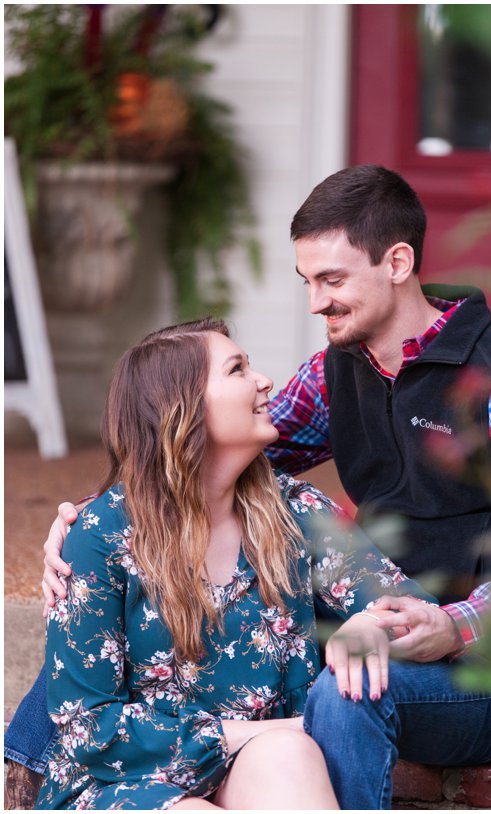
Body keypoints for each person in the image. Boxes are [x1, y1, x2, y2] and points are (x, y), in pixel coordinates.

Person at [18, 165, 491, 809]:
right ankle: (27, 778)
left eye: (332, 280)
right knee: (89, 647)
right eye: (307, 281)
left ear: (397, 262)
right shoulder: (334, 374)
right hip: (361, 614)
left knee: (343, 688)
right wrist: (81, 525)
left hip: (466, 660)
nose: (316, 301)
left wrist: (456, 625)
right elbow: (197, 457)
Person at [30, 318, 437, 809]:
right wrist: (262, 730)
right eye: (237, 369)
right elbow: (88, 729)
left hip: (262, 758)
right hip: (123, 780)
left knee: (287, 752)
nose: (264, 381)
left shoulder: (296, 513)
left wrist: (372, 622)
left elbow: (413, 607)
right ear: (183, 411)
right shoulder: (100, 537)